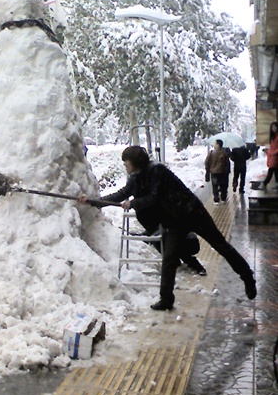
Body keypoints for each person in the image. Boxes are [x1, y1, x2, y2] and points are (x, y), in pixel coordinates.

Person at [78, 146, 256, 311]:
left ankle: (247, 276)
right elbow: (121, 194)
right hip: (173, 220)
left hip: (192, 212)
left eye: (126, 160)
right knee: (169, 258)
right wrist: (94, 202)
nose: (124, 164)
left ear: (136, 161)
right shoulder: (135, 178)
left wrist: (133, 203)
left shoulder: (157, 171)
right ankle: (166, 299)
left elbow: (154, 197)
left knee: (220, 246)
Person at [205, 139, 230, 204]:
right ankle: (223, 198)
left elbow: (207, 162)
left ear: (218, 145)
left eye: (215, 143)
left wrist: (207, 171)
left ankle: (216, 199)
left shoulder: (211, 153)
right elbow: (227, 163)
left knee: (215, 186)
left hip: (214, 173)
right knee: (223, 186)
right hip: (222, 173)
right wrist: (227, 172)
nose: (214, 145)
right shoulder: (224, 153)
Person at [262, 121, 278, 190]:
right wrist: (268, 151)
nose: (273, 128)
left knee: (271, 170)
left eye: (275, 127)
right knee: (275, 171)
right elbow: (272, 147)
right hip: (272, 156)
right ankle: (276, 183)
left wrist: (274, 152)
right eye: (272, 127)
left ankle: (264, 183)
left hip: (275, 156)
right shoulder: (273, 137)